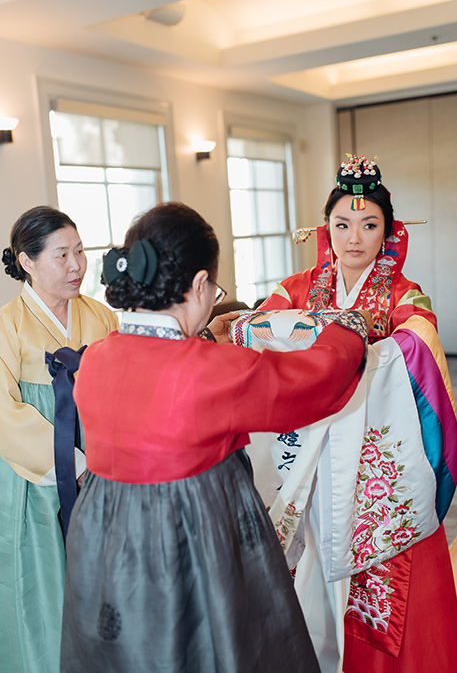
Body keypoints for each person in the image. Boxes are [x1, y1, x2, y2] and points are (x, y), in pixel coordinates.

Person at [60, 201, 371, 673]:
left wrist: (207, 338)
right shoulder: (209, 372)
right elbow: (315, 381)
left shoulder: (96, 358)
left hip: (103, 534)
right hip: (191, 525)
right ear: (201, 284)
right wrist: (346, 333)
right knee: (213, 648)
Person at [256, 154, 457, 672]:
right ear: (325, 229)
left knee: (376, 567)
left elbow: (417, 345)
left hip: (374, 457)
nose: (355, 237)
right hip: (309, 452)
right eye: (342, 224)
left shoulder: (403, 294)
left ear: (387, 231)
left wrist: (350, 352)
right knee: (307, 554)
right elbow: (263, 334)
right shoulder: (296, 288)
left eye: (369, 225)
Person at [0, 206, 119, 673]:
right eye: (61, 255)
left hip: (104, 467)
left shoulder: (101, 316)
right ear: (26, 262)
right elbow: (4, 411)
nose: (76, 266)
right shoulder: (7, 326)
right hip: (35, 477)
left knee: (105, 577)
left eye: (80, 252)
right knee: (44, 582)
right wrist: (70, 464)